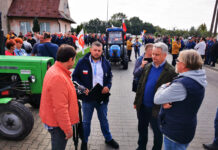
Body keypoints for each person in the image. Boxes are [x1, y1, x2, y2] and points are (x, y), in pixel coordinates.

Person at [154, 50, 207, 150]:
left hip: (175, 131)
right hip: (185, 127)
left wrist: (163, 86)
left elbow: (157, 99)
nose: (176, 62)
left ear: (184, 64)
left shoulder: (181, 84)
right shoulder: (198, 78)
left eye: (178, 60)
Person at [72, 41, 119, 150]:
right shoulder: (82, 62)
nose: (97, 52)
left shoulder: (106, 63)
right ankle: (84, 141)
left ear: (102, 51)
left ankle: (108, 138)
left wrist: (108, 86)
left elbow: (110, 77)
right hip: (87, 98)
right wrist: (82, 88)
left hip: (101, 98)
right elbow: (75, 78)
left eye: (99, 50)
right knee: (86, 122)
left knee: (104, 120)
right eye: (95, 50)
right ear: (90, 50)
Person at [134, 42, 177, 150]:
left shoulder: (171, 71)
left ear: (164, 55)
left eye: (157, 54)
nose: (153, 57)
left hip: (157, 109)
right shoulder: (147, 66)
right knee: (142, 128)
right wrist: (136, 101)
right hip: (143, 106)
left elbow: (174, 92)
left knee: (157, 132)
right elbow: (140, 85)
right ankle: (141, 147)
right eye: (153, 54)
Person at [39, 44, 79, 150]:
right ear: (70, 59)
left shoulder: (55, 69)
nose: (74, 61)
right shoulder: (58, 76)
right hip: (58, 125)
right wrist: (67, 129)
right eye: (74, 59)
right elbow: (60, 107)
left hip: (55, 120)